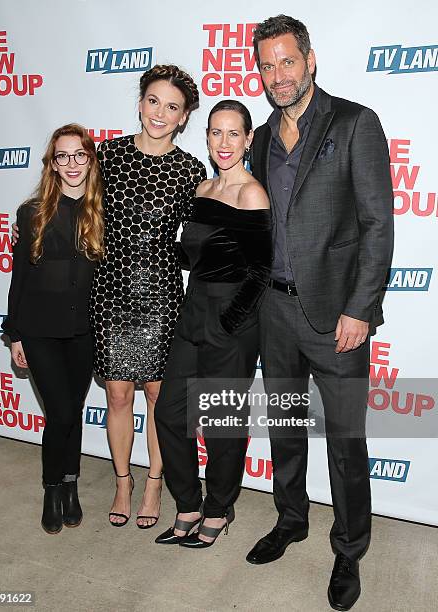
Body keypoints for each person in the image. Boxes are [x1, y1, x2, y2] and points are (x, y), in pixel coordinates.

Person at [245, 15, 394, 611]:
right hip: (273, 312)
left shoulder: (355, 122)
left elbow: (377, 224)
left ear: (310, 60)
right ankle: (290, 519)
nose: (276, 75)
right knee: (285, 429)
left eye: (286, 61)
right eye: (265, 65)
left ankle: (349, 548)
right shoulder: (257, 138)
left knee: (345, 441)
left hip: (336, 318)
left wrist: (361, 309)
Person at [89, 65, 207, 528]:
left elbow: (199, 240)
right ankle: (123, 481)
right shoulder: (110, 155)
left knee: (159, 395)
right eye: (153, 101)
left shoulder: (190, 169)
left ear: (182, 118)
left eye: (172, 107)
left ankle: (155, 482)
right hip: (111, 287)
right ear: (141, 104)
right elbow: (80, 212)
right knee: (118, 395)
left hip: (159, 291)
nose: (160, 113)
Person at [154, 100, 271, 548]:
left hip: (233, 317)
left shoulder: (251, 193)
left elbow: (260, 270)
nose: (224, 143)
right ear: (205, 137)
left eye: (233, 134)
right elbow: (199, 255)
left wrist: (230, 322)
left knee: (222, 422)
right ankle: (187, 503)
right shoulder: (202, 190)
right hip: (193, 309)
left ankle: (219, 508)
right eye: (215, 133)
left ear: (248, 139)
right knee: (169, 412)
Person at [2, 124, 104, 534]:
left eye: (80, 154)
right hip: (41, 330)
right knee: (59, 412)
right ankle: (50, 488)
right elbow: (20, 277)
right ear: (53, 164)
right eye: (63, 156)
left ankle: (70, 484)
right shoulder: (32, 212)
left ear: (90, 159)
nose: (72, 164)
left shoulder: (104, 211)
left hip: (85, 330)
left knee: (72, 411)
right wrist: (15, 334)